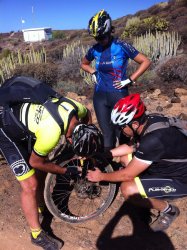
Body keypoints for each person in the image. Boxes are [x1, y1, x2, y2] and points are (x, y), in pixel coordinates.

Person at [0, 83, 93, 249]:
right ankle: (36, 234)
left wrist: (82, 154)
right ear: (70, 140)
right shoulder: (51, 133)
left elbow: (88, 116)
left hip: (27, 125)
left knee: (41, 172)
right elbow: (35, 162)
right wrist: (66, 170)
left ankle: (41, 207)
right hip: (5, 131)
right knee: (30, 184)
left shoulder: (76, 107)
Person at [87, 93, 187, 232]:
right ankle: (146, 189)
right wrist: (105, 154)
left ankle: (169, 210)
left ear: (134, 124)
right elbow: (130, 147)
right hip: (167, 166)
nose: (121, 130)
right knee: (124, 158)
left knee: (128, 189)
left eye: (122, 126)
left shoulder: (152, 141)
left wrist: (100, 177)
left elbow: (126, 176)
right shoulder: (148, 121)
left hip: (180, 180)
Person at [81, 9, 151, 151]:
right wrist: (93, 71)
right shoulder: (94, 49)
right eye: (97, 38)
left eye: (102, 37)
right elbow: (83, 64)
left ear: (108, 32)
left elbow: (145, 61)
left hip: (119, 95)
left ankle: (128, 166)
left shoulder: (121, 46)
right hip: (100, 97)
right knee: (107, 134)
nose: (100, 40)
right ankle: (111, 167)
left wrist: (130, 79)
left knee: (124, 133)